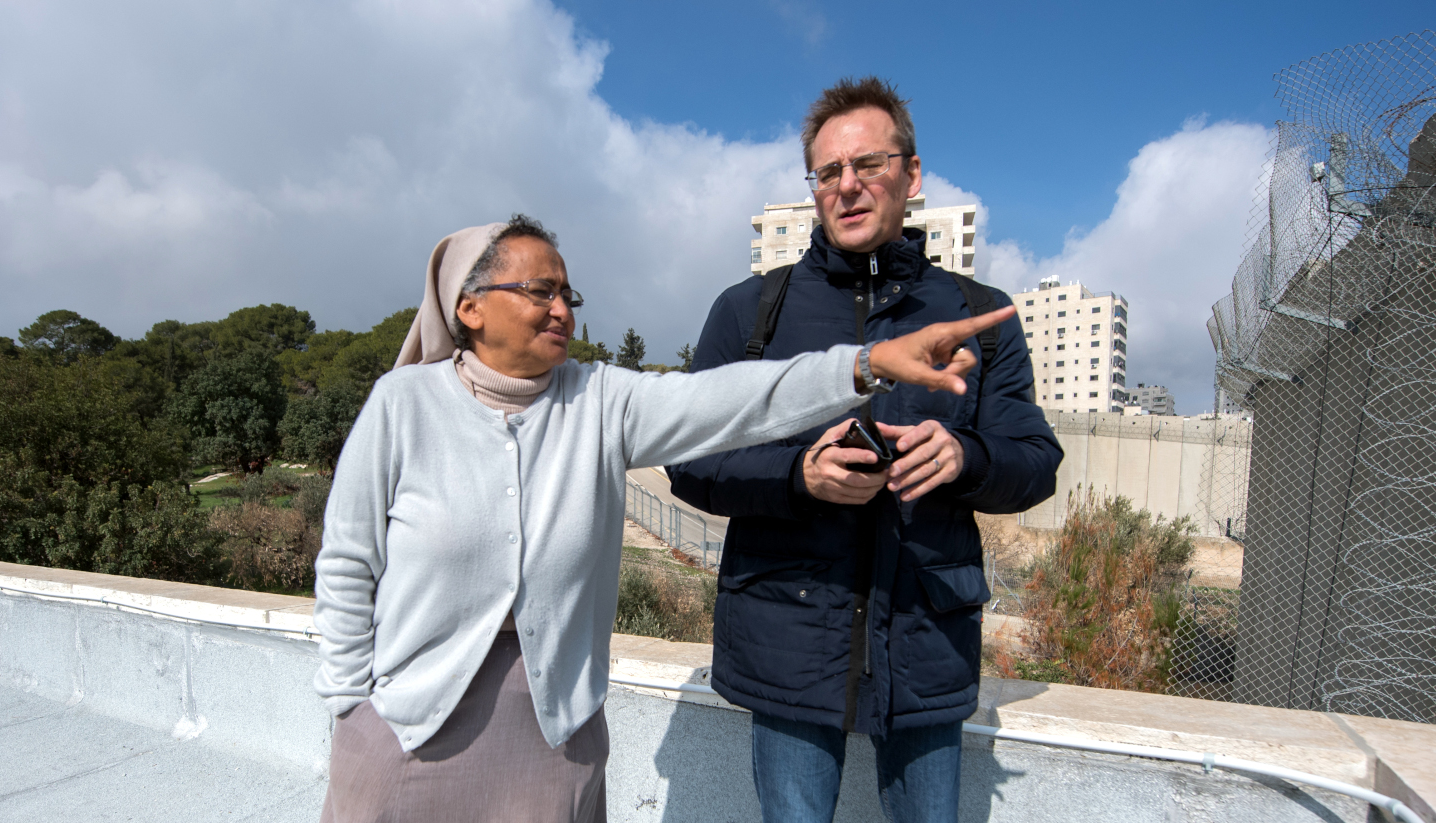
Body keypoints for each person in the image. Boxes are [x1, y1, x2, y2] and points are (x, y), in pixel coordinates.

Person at [313, 213, 1014, 823]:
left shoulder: (600, 399)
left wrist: (864, 365)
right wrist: (353, 709)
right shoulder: (402, 404)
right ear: (469, 307)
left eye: (568, 293)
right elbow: (348, 561)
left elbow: (736, 398)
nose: (562, 309)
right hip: (409, 720)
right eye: (539, 291)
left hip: (550, 724)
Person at [668, 77, 1062, 823]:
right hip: (787, 638)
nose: (848, 186)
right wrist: (799, 474)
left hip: (926, 639)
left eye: (870, 165)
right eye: (828, 172)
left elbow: (1034, 459)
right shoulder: (751, 311)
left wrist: (964, 458)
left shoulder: (979, 316)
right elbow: (688, 458)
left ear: (911, 175)